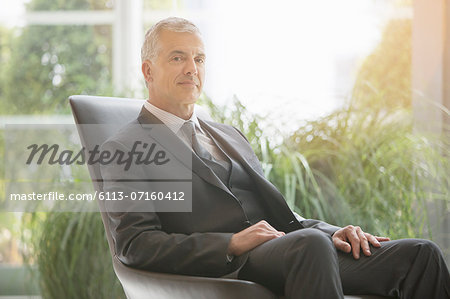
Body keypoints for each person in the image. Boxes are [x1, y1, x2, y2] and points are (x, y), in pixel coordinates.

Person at [100, 17, 450, 299]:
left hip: (295, 251)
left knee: (421, 255)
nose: (192, 68)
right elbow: (136, 244)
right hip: (230, 265)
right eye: (178, 57)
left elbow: (278, 216)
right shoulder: (127, 147)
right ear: (148, 71)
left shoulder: (228, 134)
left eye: (199, 58)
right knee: (309, 247)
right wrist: (231, 243)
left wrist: (331, 232)